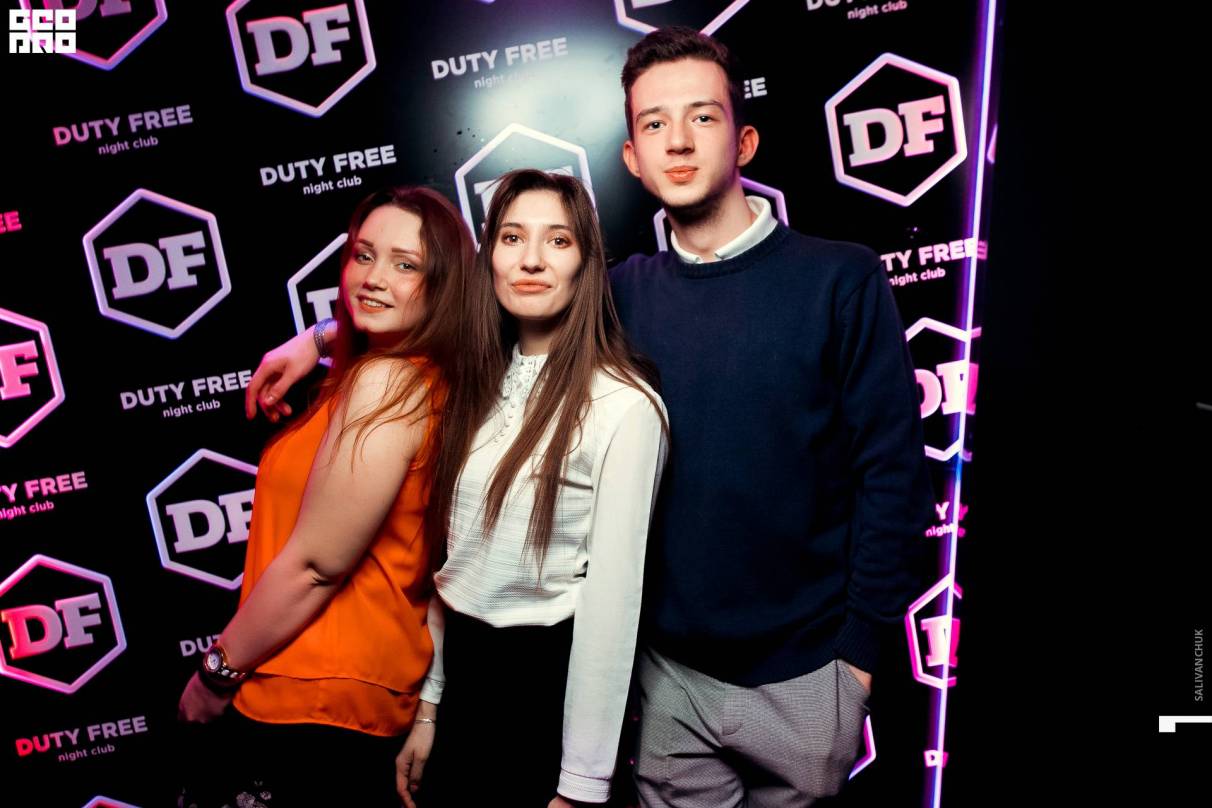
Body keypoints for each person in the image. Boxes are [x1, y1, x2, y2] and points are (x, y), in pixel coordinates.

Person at [246, 169, 669, 807]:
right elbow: (453, 568)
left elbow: (612, 612)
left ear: (586, 264)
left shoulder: (624, 406)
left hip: (545, 695)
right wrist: (430, 708)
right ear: (487, 260)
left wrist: (580, 787)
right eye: (511, 238)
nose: (531, 259)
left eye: (558, 241)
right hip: (462, 688)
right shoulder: (473, 378)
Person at [610, 27, 935, 807]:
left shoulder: (839, 278)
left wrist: (855, 662)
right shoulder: (618, 296)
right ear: (632, 158)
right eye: (654, 123)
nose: (678, 140)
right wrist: (330, 336)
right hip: (667, 679)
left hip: (809, 674)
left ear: (745, 141)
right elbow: (481, 324)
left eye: (703, 117)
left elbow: (894, 476)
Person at [176, 186, 475, 808]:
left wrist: (216, 672)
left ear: (443, 286)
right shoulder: (419, 375)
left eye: (405, 264)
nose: (373, 277)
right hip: (342, 694)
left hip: (312, 699)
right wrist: (316, 339)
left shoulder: (385, 382)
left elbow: (316, 566)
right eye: (363, 255)